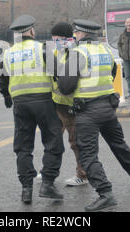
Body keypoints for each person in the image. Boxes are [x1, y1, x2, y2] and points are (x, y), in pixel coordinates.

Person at [57, 19, 130, 212]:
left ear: (80, 34)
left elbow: (65, 88)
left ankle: (105, 194)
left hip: (87, 112)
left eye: (75, 33)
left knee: (88, 156)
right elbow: (112, 73)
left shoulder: (77, 53)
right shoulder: (105, 50)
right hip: (107, 108)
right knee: (119, 145)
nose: (74, 36)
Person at [0, 15, 65, 204]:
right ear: (32, 31)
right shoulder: (42, 48)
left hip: (20, 104)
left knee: (23, 146)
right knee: (53, 141)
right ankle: (48, 184)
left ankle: (26, 189)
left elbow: (2, 79)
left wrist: (6, 97)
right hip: (43, 101)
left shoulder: (8, 53)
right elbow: (59, 74)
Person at [51, 22, 88, 186]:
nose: (53, 39)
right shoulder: (56, 51)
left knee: (75, 142)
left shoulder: (74, 51)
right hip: (56, 103)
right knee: (52, 140)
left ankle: (82, 174)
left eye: (56, 37)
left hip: (70, 105)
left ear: (65, 38)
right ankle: (49, 172)